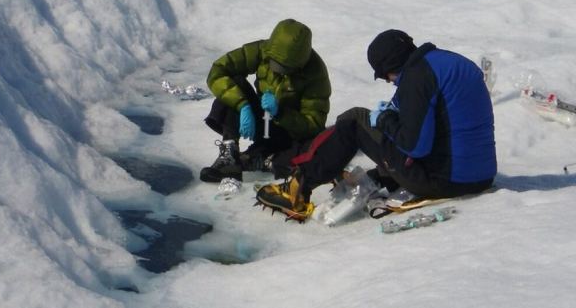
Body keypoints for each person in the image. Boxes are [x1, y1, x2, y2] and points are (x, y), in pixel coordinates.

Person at [256, 29, 497, 220]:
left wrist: (386, 120)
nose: (390, 83)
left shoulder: (416, 78)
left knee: (354, 120)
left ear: (391, 67)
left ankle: (299, 188)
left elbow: (415, 147)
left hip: (444, 181)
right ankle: (356, 167)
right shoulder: (448, 62)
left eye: (385, 76)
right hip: (481, 174)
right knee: (374, 128)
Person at [200, 18, 332, 183]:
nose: (278, 71)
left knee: (306, 151)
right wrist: (243, 106)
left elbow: (313, 125)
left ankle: (259, 158)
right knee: (233, 85)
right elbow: (219, 71)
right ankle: (230, 156)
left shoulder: (315, 74)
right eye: (274, 64)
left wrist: (280, 112)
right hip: (262, 121)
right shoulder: (262, 50)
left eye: (285, 69)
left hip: (288, 132)